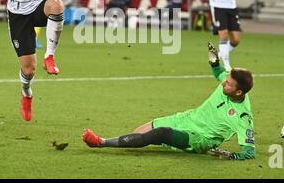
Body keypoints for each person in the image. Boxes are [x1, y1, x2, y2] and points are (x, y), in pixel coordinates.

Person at [83, 42, 256, 160]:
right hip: (189, 118)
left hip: (200, 138)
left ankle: (100, 142)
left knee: (161, 133)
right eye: (226, 80)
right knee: (141, 133)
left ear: (239, 92)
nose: (224, 83)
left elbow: (249, 152)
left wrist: (233, 156)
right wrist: (213, 58)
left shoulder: (242, 116)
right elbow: (218, 71)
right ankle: (170, 143)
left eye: (229, 84)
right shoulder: (229, 82)